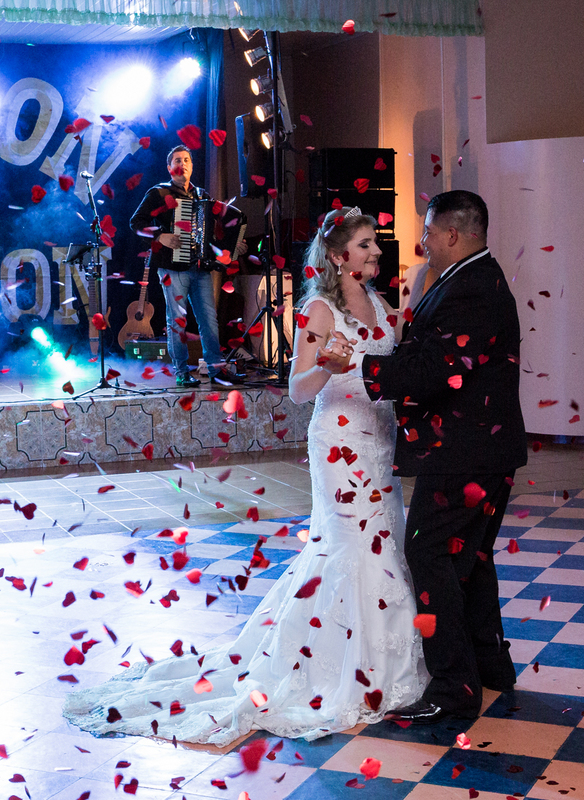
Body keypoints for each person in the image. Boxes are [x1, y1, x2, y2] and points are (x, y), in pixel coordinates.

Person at [61, 207, 426, 745]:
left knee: (385, 542)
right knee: (349, 549)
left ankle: (381, 665)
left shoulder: (379, 303)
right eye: (366, 243)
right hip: (340, 444)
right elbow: (298, 390)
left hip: (380, 442)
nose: (376, 251)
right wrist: (326, 365)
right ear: (336, 255)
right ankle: (334, 668)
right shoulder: (319, 309)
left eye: (375, 243)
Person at [324, 190, 526, 725]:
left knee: (430, 554)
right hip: (477, 448)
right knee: (469, 558)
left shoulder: (472, 287)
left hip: (464, 451)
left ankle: (454, 686)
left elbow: (435, 370)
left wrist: (360, 365)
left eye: (430, 232)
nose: (423, 241)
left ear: (453, 234)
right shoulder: (468, 279)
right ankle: (489, 667)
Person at [129, 146, 242, 387]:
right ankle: (181, 371)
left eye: (187, 160)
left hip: (200, 267)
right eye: (178, 160)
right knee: (177, 321)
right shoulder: (159, 193)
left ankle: (216, 369)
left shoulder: (202, 196)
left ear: (191, 165)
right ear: (169, 168)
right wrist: (160, 236)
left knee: (209, 320)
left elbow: (213, 232)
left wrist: (228, 248)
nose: (183, 164)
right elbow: (136, 222)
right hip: (172, 268)